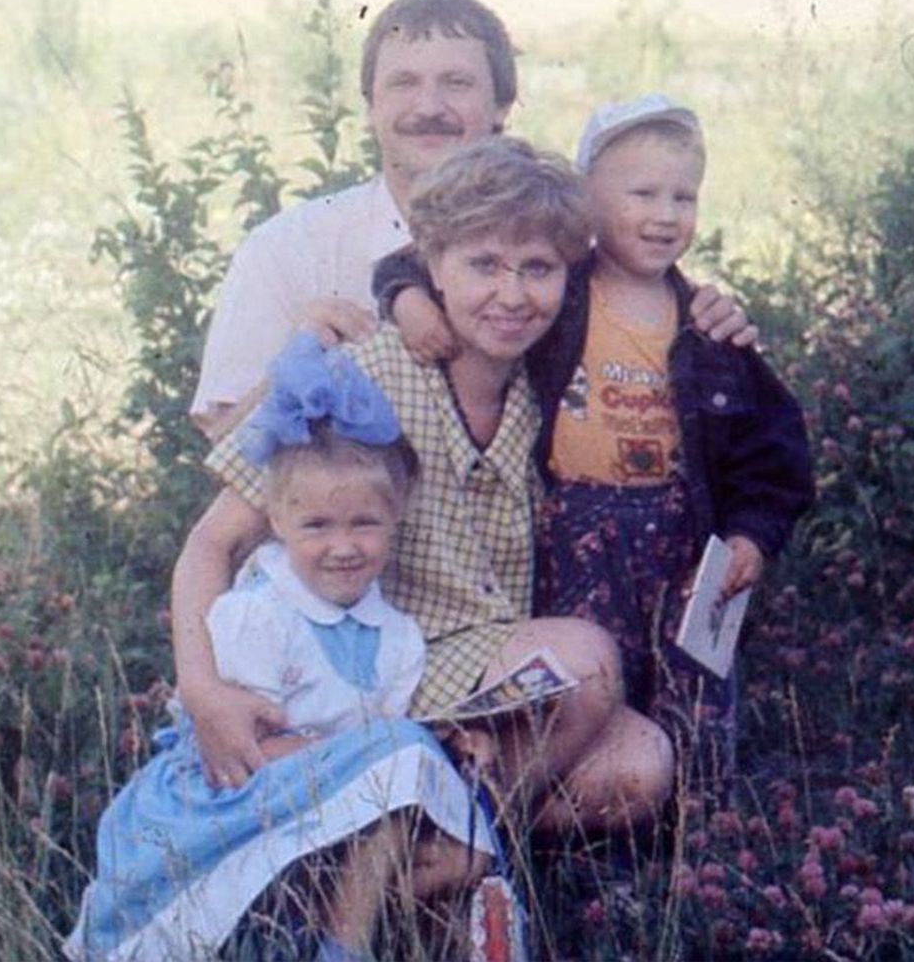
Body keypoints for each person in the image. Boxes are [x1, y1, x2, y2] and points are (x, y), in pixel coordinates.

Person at [174, 138, 675, 839]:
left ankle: (423, 845)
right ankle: (451, 844)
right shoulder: (360, 373)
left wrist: (713, 313)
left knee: (639, 763)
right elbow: (212, 542)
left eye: (538, 269)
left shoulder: (549, 379)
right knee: (585, 662)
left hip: (485, 669)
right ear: (432, 265)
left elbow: (653, 300)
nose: (512, 295)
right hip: (364, 671)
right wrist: (202, 691)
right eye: (483, 266)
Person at [377, 97, 814, 798]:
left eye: (683, 197)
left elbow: (772, 447)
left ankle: (690, 832)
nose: (665, 215)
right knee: (585, 683)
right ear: (587, 203)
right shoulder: (555, 291)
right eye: (642, 194)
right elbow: (425, 256)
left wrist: (751, 535)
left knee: (689, 686)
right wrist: (406, 300)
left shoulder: (707, 326)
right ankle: (537, 820)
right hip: (572, 533)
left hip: (679, 536)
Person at [66, 334, 494, 962]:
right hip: (230, 791)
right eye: (317, 526)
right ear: (277, 520)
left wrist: (444, 747)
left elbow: (377, 751)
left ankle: (346, 943)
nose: (342, 547)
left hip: (322, 799)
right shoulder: (260, 615)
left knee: (455, 827)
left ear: (396, 517)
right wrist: (370, 754)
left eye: (364, 524)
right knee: (402, 757)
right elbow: (245, 750)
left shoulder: (397, 637)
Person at [191, 0, 754, 440]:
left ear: (503, 105)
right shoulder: (287, 248)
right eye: (404, 83)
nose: (429, 107)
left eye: (456, 83)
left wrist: (707, 317)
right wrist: (295, 367)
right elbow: (223, 443)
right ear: (369, 106)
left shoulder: (556, 247)